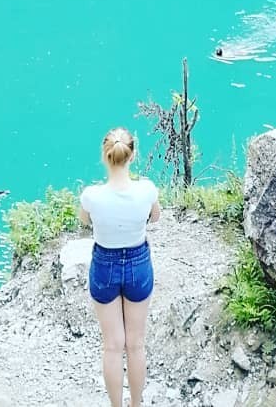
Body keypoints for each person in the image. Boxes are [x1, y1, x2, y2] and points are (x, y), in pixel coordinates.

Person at [79, 127, 161, 407]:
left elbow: (84, 221)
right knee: (136, 344)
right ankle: (136, 404)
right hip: (138, 263)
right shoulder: (147, 190)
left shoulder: (91, 196)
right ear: (132, 155)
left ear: (105, 156)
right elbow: (156, 217)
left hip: (104, 265)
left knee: (113, 345)